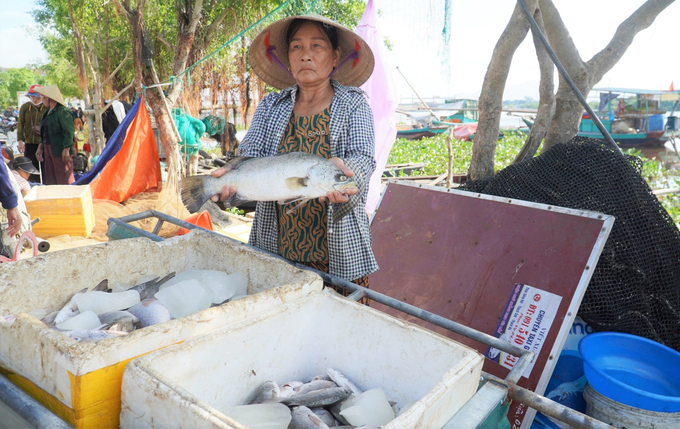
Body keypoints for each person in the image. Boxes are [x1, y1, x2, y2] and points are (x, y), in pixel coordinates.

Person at [211, 14, 378, 297]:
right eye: (297, 47)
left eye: (317, 46)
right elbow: (251, 153)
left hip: (340, 249)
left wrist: (344, 171)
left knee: (340, 328)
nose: (306, 56)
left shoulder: (354, 103)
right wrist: (231, 179)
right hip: (277, 246)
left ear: (335, 56)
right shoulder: (271, 105)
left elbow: (363, 157)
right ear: (288, 60)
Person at [34, 85, 75, 185]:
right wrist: (40, 147)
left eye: (43, 98)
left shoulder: (63, 112)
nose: (42, 100)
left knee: (64, 176)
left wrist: (66, 148)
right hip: (48, 148)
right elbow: (44, 132)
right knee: (50, 177)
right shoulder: (46, 113)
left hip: (60, 149)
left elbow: (68, 131)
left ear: (49, 98)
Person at [17, 84, 48, 182]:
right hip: (29, 142)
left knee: (46, 168)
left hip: (43, 143)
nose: (35, 99)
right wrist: (20, 141)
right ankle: (33, 187)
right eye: (33, 96)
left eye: (37, 97)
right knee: (30, 169)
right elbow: (20, 124)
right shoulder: (25, 107)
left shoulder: (47, 107)